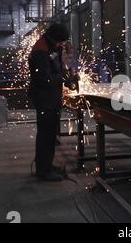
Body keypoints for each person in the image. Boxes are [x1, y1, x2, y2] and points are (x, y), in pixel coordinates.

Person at [28, 23, 77, 181]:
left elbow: (59, 67)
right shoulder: (40, 51)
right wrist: (63, 79)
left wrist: (68, 79)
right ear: (53, 38)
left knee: (51, 136)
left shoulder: (53, 46)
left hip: (52, 97)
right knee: (45, 136)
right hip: (44, 99)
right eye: (60, 42)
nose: (62, 45)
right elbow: (44, 79)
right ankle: (43, 171)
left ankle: (47, 165)